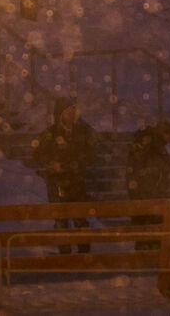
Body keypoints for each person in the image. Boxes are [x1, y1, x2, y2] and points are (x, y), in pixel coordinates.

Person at [33, 97, 98, 253]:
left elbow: (92, 154)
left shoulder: (82, 132)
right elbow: (38, 154)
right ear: (60, 114)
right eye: (68, 112)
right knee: (61, 219)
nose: (71, 115)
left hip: (77, 181)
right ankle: (64, 255)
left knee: (81, 218)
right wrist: (51, 164)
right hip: (58, 183)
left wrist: (79, 164)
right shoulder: (50, 134)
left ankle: (84, 254)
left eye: (73, 111)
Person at [126, 120, 170, 250]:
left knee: (152, 223)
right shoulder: (148, 144)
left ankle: (150, 248)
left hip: (153, 191)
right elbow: (137, 168)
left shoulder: (157, 146)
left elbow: (162, 167)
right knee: (146, 222)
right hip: (145, 192)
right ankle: (146, 249)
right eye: (168, 136)